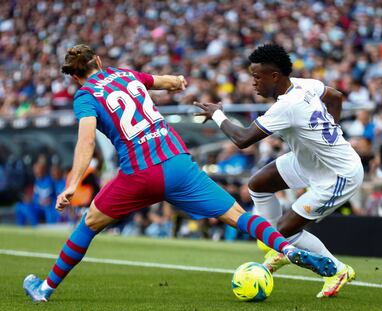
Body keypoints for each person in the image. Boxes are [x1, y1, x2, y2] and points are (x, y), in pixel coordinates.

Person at [23, 44, 336, 303]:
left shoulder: (85, 96)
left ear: (76, 77)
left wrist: (72, 183)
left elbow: (87, 140)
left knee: (89, 223)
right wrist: (178, 81)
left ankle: (45, 288)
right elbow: (167, 82)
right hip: (176, 163)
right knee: (239, 215)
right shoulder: (123, 74)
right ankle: (288, 249)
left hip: (139, 173)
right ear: (100, 62)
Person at [194, 44, 364, 298]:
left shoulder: (287, 106)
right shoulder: (303, 84)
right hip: (308, 161)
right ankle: (278, 246)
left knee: (280, 233)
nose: (253, 83)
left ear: (274, 76)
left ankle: (337, 270)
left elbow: (242, 139)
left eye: (256, 77)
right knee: (258, 185)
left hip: (338, 174)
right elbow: (336, 96)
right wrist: (329, 131)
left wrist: (218, 114)